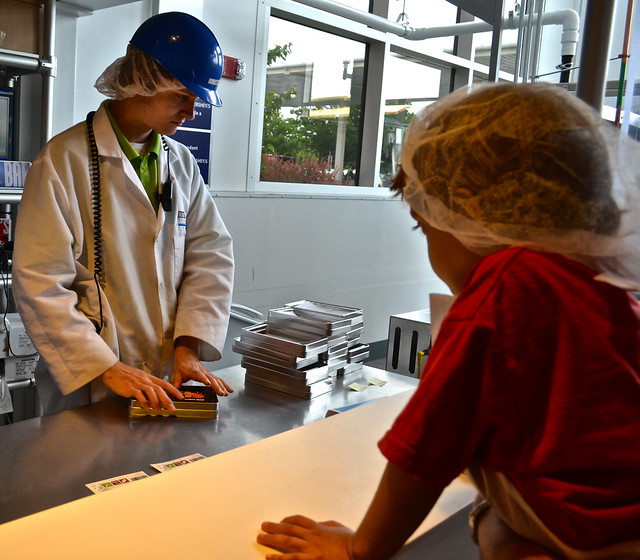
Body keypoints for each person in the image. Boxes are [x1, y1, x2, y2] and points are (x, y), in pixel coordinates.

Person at [257, 82, 640, 559]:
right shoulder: (601, 282)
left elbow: (427, 449)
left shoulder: (504, 284)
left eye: (425, 222)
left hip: (587, 542)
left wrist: (360, 548)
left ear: (469, 208)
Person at [12, 12, 235, 415]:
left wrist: (187, 347)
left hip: (164, 378)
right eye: (180, 96)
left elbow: (210, 254)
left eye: (195, 100)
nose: (190, 112)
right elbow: (41, 283)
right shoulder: (63, 161)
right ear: (142, 82)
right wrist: (104, 367)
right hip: (89, 389)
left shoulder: (180, 163)